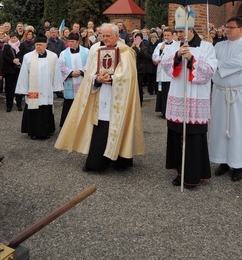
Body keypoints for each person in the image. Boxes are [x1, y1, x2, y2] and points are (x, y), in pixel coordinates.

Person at [55, 23, 145, 171]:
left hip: (118, 98)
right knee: (101, 128)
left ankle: (120, 159)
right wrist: (97, 79)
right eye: (103, 35)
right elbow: (90, 71)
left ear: (117, 35)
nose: (105, 38)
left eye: (108, 36)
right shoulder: (98, 50)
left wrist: (112, 78)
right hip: (102, 95)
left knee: (119, 125)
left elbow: (128, 76)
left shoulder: (126, 52)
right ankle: (97, 163)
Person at [162, 8, 217, 188]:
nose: (178, 35)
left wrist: (192, 59)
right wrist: (178, 56)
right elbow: (165, 65)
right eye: (177, 31)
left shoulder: (207, 47)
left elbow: (209, 71)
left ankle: (194, 173)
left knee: (194, 137)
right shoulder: (173, 46)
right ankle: (180, 171)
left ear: (191, 31)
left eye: (181, 32)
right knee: (178, 133)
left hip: (196, 97)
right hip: (178, 94)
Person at [209, 17, 242, 182]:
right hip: (219, 93)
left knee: (238, 128)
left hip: (238, 94)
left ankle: (238, 164)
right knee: (220, 127)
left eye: (231, 27)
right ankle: (223, 161)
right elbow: (209, 63)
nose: (227, 30)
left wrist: (218, 65)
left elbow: (240, 63)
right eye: (226, 27)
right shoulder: (218, 45)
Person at [16, 32, 63, 140]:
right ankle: (33, 132)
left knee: (45, 108)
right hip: (33, 89)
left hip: (46, 88)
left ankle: (47, 131)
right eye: (37, 45)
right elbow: (24, 73)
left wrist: (56, 87)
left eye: (40, 45)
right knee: (33, 109)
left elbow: (56, 72)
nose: (38, 47)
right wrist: (23, 88)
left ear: (46, 44)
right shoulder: (28, 57)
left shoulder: (53, 57)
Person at [58, 32, 89, 128]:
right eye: (69, 41)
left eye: (72, 41)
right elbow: (60, 65)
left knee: (82, 102)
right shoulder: (64, 53)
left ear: (78, 41)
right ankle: (67, 126)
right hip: (70, 80)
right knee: (69, 103)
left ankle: (82, 125)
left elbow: (90, 63)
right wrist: (71, 73)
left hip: (82, 79)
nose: (70, 43)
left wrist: (81, 71)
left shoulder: (86, 51)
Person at [152, 27, 178, 119]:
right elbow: (155, 58)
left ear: (172, 35)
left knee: (171, 93)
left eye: (168, 35)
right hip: (162, 74)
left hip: (172, 74)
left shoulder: (176, 45)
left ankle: (172, 112)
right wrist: (161, 51)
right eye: (165, 35)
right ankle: (164, 111)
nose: (166, 37)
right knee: (163, 93)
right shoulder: (160, 45)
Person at [2, 31, 23, 112]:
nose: (13, 39)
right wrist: (12, 60)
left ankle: (19, 104)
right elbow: (5, 57)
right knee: (9, 89)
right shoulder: (7, 47)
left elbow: (24, 55)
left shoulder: (22, 46)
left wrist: (19, 59)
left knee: (19, 88)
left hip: (19, 70)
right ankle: (9, 105)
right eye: (12, 38)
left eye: (15, 38)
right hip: (9, 70)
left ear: (17, 38)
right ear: (9, 38)